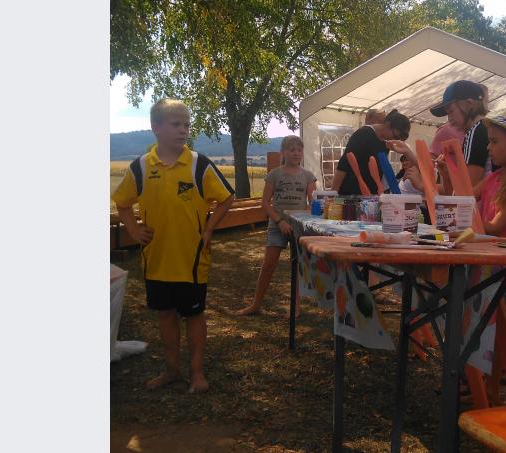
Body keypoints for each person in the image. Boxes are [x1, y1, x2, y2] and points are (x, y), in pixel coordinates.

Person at [112, 98, 235, 393]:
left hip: (191, 261)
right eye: (176, 124)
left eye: (187, 125)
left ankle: (196, 373)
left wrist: (208, 230)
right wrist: (133, 230)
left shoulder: (198, 164)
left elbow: (227, 197)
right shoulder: (141, 167)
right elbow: (123, 201)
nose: (183, 130)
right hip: (156, 259)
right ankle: (171, 370)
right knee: (165, 315)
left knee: (194, 315)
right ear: (156, 128)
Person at [438, 109, 506, 401]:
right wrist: (446, 173)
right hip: (497, 270)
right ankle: (490, 391)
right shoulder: (494, 178)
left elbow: (496, 227)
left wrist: (466, 218)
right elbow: (463, 197)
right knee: (499, 337)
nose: (488, 148)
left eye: (494, 142)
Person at [236, 136, 316, 316]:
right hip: (276, 225)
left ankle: (295, 307)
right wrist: (279, 221)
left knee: (296, 266)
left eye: (299, 150)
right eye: (292, 149)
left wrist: (300, 221)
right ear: (283, 152)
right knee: (268, 265)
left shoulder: (308, 176)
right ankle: (255, 305)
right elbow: (265, 203)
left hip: (298, 226)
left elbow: (313, 203)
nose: (296, 153)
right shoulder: (274, 174)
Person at [331, 109, 410, 195]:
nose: (395, 140)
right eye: (395, 136)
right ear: (387, 125)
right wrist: (333, 192)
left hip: (371, 195)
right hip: (351, 194)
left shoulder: (385, 142)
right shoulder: (363, 134)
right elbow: (344, 165)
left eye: (398, 139)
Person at [429, 80, 489, 187]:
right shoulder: (484, 128)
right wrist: (448, 175)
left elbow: (468, 191)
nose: (449, 118)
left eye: (451, 111)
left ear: (469, 103)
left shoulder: (476, 132)